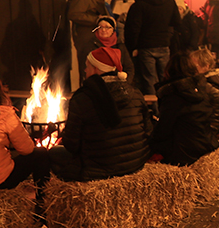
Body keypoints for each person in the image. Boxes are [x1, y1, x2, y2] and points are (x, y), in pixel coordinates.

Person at [49, 48, 151, 181]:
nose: (85, 70)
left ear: (96, 69)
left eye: (87, 67)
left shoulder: (83, 98)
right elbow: (148, 131)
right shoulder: (136, 93)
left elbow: (71, 145)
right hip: (135, 164)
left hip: (97, 170)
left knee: (52, 153)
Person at [149, 51, 219, 166]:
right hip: (206, 144)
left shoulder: (173, 95)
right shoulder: (202, 88)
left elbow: (163, 130)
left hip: (184, 153)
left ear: (169, 71)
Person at [124, 0, 181, 98]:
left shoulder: (139, 4)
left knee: (149, 79)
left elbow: (133, 28)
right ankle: (166, 106)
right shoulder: (169, 1)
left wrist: (132, 47)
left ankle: (154, 110)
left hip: (146, 47)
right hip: (164, 45)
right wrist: (168, 37)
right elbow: (177, 23)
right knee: (165, 77)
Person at [69, 0, 111, 83]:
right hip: (86, 39)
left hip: (93, 38)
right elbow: (74, 14)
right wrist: (95, 19)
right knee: (87, 70)